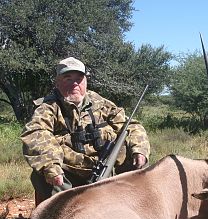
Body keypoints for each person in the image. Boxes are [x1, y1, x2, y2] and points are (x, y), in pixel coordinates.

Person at [21, 57, 150, 206]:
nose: (74, 83)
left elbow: (131, 125)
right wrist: (51, 166)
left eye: (79, 78)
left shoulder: (101, 103)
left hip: (105, 168)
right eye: (68, 78)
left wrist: (139, 150)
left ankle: (134, 210)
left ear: (85, 82)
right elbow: (36, 133)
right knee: (43, 175)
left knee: (137, 160)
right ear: (57, 82)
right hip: (70, 174)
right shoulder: (48, 107)